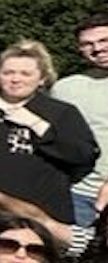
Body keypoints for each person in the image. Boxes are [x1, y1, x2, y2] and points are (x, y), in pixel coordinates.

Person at [0, 39, 98, 243]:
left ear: (42, 78)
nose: (16, 79)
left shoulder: (60, 113)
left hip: (36, 220)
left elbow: (83, 157)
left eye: (26, 74)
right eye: (8, 73)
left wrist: (39, 127)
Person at [53, 13, 108, 244]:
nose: (97, 49)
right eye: (88, 44)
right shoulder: (66, 88)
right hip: (77, 194)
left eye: (104, 40)